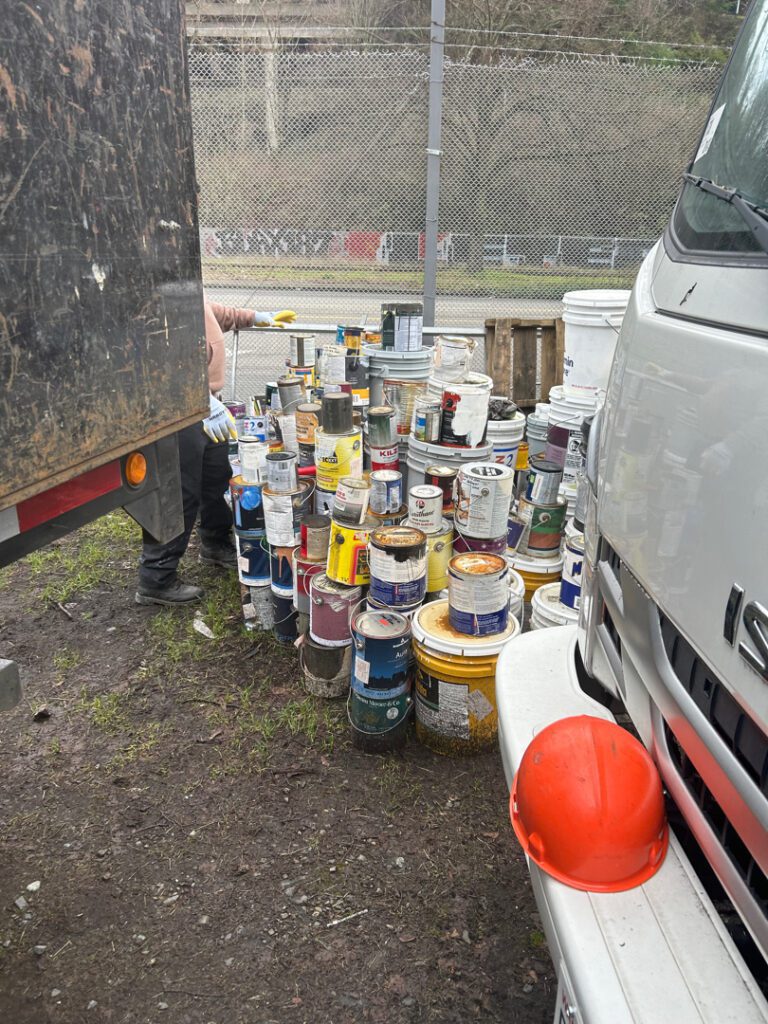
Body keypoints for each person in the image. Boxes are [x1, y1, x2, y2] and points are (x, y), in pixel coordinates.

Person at [135, 301, 297, 606]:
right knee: (179, 494)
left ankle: (214, 541)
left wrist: (257, 317)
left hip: (209, 409)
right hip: (177, 410)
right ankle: (156, 578)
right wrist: (199, 398)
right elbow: (156, 360)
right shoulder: (156, 306)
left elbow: (216, 313)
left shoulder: (190, 295)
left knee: (217, 478)